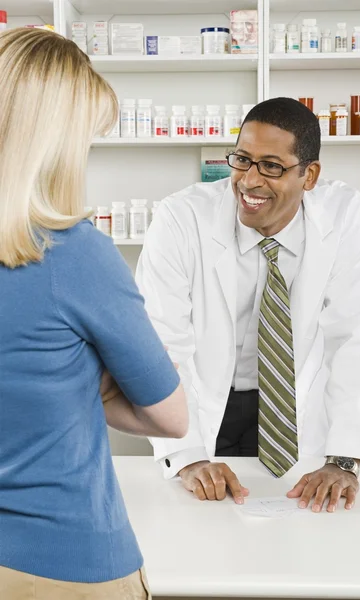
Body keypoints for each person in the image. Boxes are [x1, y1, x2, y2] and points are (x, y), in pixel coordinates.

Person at [0, 28, 188, 600]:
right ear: (55, 140)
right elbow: (171, 418)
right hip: (61, 562)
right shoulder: (73, 255)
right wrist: (95, 387)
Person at [136, 97, 360, 514]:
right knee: (200, 532)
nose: (249, 181)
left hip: (297, 415)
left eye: (271, 166)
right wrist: (188, 454)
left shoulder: (341, 214)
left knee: (309, 540)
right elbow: (162, 344)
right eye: (242, 160)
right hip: (208, 405)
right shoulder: (182, 218)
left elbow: (353, 337)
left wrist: (343, 458)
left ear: (310, 175)